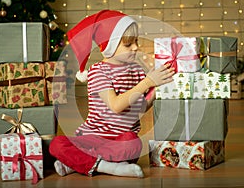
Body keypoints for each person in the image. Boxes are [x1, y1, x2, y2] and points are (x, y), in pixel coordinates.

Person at [49, 10, 175, 178]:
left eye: (136, 41)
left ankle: (81, 163)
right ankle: (110, 167)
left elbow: (139, 108)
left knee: (133, 142)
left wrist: (157, 88)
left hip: (120, 141)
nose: (136, 47)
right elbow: (116, 106)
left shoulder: (136, 70)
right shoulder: (98, 72)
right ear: (109, 47)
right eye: (128, 44)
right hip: (93, 137)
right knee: (57, 144)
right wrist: (147, 82)